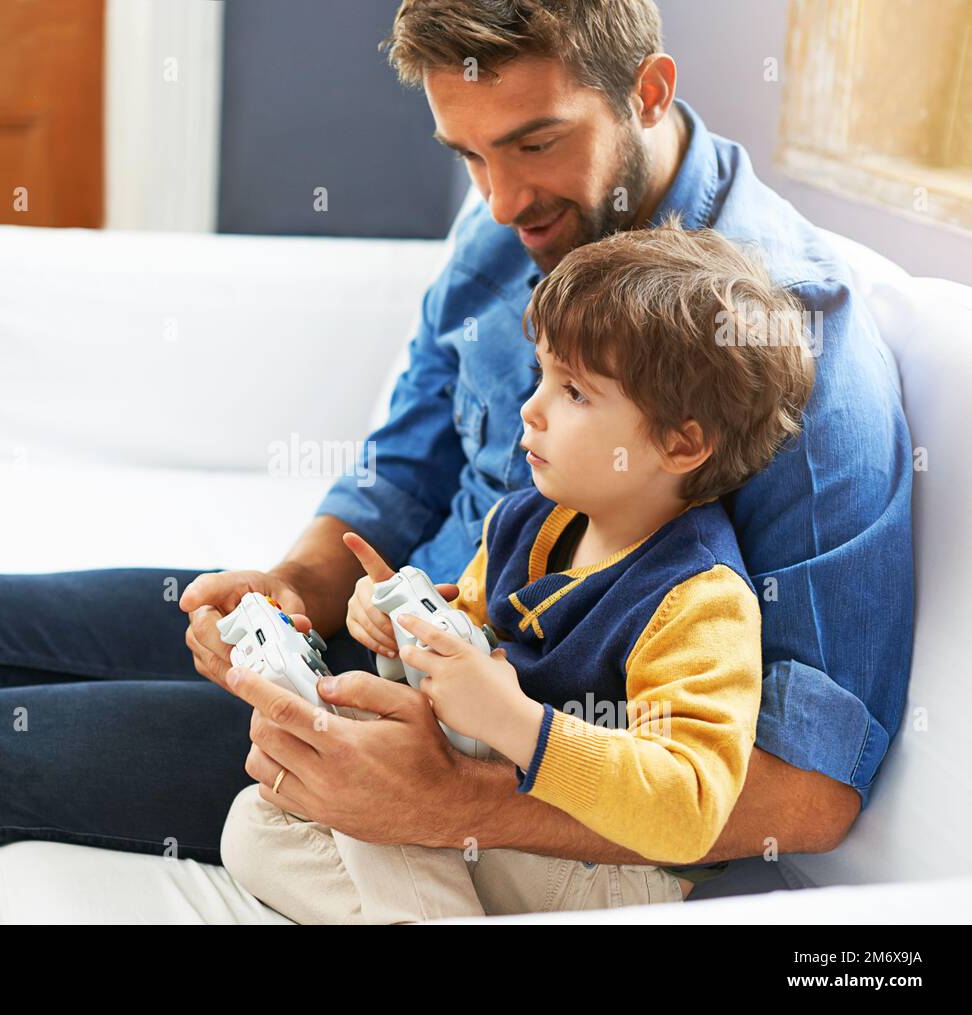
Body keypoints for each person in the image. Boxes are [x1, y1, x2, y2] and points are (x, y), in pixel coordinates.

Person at [0, 0, 911, 923]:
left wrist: (455, 797)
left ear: (647, 89)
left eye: (532, 144)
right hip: (375, 641)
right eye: (465, 155)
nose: (496, 200)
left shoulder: (784, 342)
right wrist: (292, 588)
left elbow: (807, 795)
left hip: (470, 740)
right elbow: (398, 474)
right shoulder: (507, 235)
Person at [218, 221, 817, 923]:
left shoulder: (700, 600)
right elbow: (473, 631)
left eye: (575, 392)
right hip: (491, 821)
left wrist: (518, 722)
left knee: (377, 806)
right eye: (542, 375)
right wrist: (402, 628)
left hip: (609, 869)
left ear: (681, 443)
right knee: (255, 821)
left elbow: (687, 805)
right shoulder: (525, 520)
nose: (530, 408)